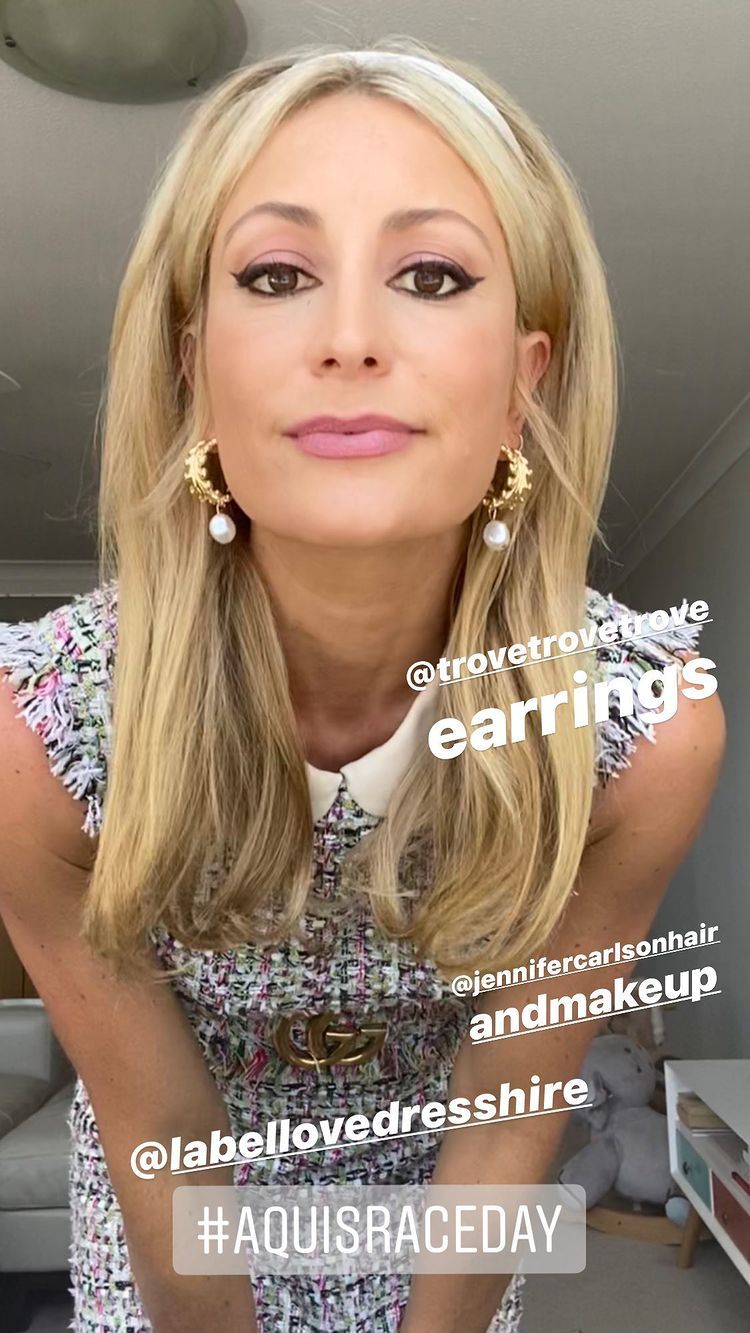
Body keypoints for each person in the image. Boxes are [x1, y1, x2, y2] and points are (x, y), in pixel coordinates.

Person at [0, 37, 725, 1333]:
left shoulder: (642, 725)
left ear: (524, 381)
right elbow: (164, 1138)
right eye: (275, 275)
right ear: (192, 369)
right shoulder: (36, 730)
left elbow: (507, 1122)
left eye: (431, 275)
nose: (347, 339)